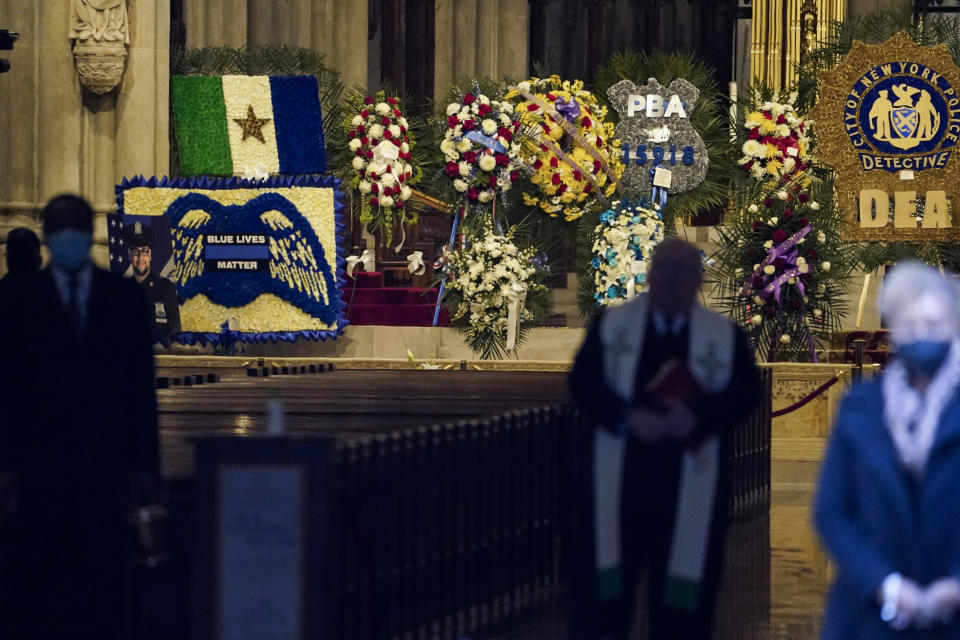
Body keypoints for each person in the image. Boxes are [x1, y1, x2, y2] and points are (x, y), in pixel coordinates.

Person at [568, 238, 761, 639]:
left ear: (698, 281)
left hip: (690, 496)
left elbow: (747, 393)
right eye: (664, 269)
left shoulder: (724, 337)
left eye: (683, 271)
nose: (671, 280)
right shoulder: (612, 326)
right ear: (650, 276)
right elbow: (583, 383)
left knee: (683, 618)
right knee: (603, 611)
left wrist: (697, 416)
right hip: (619, 494)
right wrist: (627, 416)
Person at [0, 194, 159, 639]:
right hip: (38, 468)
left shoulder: (123, 297)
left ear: (88, 236)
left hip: (105, 467)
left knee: (102, 590)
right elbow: (8, 388)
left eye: (74, 229)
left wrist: (147, 469)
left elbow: (138, 389)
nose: (68, 239)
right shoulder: (18, 300)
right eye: (60, 230)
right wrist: (6, 466)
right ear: (50, 239)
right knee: (39, 591)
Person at [815, 261, 960, 639]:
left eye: (934, 325)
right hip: (869, 611)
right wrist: (885, 584)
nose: (923, 335)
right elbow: (831, 511)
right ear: (894, 330)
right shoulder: (860, 408)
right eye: (912, 326)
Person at [123, 219, 181, 343]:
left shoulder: (166, 288)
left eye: (144, 251)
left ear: (150, 254)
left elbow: (175, 331)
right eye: (135, 251)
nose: (140, 257)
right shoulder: (121, 290)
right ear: (129, 255)